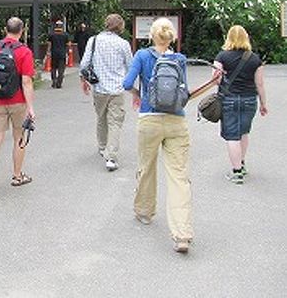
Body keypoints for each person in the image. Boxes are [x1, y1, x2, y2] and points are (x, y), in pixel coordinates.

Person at [123, 17, 192, 254]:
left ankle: (144, 211)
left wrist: (138, 95)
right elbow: (185, 92)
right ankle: (182, 233)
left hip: (149, 120)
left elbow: (127, 82)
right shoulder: (179, 59)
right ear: (171, 37)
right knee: (178, 176)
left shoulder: (142, 56)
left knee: (146, 166)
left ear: (151, 35)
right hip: (176, 121)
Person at [0, 17, 36, 198]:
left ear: (5, 29)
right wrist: (30, 107)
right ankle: (18, 176)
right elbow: (26, 81)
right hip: (17, 101)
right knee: (19, 137)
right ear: (22, 31)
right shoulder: (24, 51)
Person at [213, 25, 268, 184]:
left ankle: (236, 172)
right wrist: (263, 104)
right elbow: (260, 84)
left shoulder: (222, 56)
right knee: (243, 132)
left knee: (232, 135)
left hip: (229, 99)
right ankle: (241, 164)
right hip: (249, 100)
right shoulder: (255, 59)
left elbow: (215, 79)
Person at [79, 14, 132, 171]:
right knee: (115, 122)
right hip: (117, 89)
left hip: (99, 88)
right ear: (120, 27)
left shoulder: (93, 40)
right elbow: (130, 66)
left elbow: (84, 64)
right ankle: (111, 157)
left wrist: (83, 80)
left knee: (101, 117)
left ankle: (102, 147)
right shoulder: (123, 44)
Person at [46, 20, 71, 88]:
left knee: (53, 68)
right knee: (61, 69)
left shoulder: (51, 34)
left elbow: (49, 44)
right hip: (62, 54)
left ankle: (54, 81)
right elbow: (69, 44)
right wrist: (68, 52)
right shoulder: (65, 35)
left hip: (54, 54)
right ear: (62, 26)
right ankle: (59, 83)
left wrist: (48, 52)